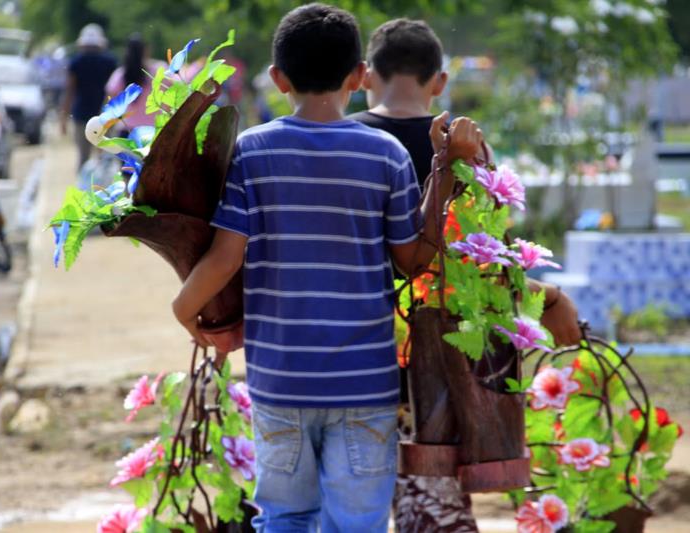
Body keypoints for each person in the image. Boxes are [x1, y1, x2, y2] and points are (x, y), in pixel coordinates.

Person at [171, 4, 485, 531]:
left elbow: (226, 258)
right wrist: (445, 174)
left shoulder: (252, 151)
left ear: (277, 79)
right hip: (364, 383)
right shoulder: (384, 155)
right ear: (359, 76)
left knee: (285, 515)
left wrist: (184, 310)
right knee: (357, 521)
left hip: (280, 382)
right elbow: (412, 260)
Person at [350, 18, 582, 532]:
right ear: (441, 82)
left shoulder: (351, 144)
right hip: (445, 349)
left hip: (359, 351)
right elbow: (485, 259)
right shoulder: (463, 149)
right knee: (432, 499)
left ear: (365, 77)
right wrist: (549, 297)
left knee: (362, 500)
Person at [60, 24, 117, 170]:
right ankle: (103, 189)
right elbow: (114, 90)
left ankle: (83, 189)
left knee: (83, 157)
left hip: (81, 114)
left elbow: (70, 91)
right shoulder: (110, 62)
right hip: (105, 114)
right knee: (104, 157)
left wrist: (63, 118)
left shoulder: (76, 62)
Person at [105, 33, 166, 132]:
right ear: (146, 50)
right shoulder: (159, 70)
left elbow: (110, 104)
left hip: (127, 130)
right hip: (154, 130)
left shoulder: (120, 74)